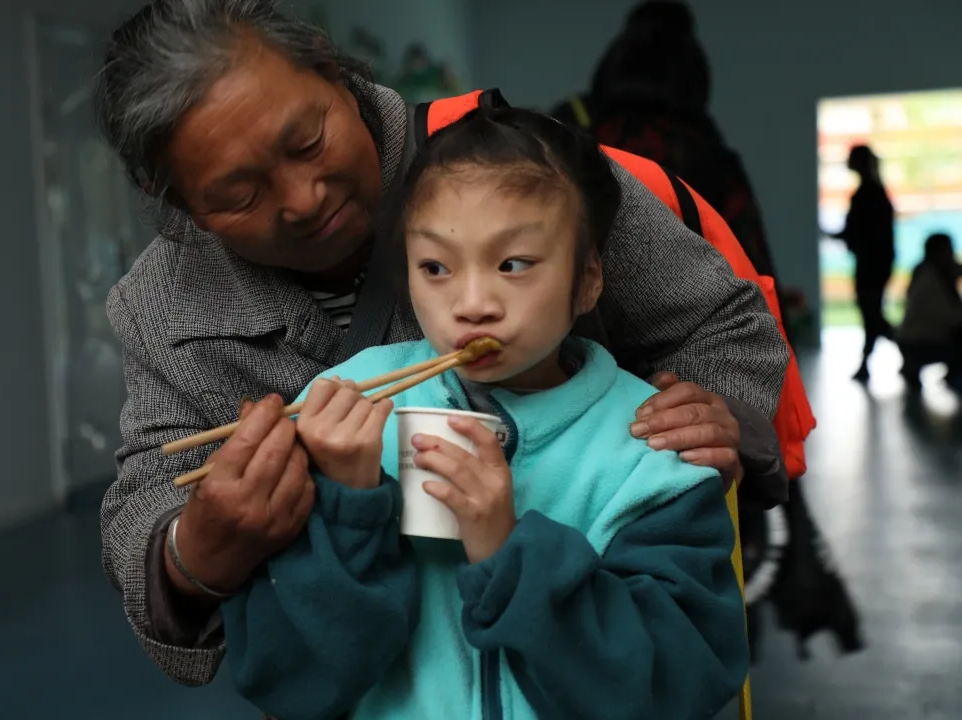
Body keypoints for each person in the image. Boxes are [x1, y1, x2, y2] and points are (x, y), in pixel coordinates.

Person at [95, 0, 789, 686]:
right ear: (180, 202)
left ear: (330, 69)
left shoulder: (517, 166)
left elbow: (722, 326)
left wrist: (711, 410)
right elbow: (150, 493)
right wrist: (194, 555)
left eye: (307, 143)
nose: (303, 199)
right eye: (239, 195)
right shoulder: (160, 305)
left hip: (583, 654)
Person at [224, 106, 749, 720]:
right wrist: (345, 503)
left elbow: (674, 689)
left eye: (513, 264)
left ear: (587, 281)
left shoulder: (653, 446)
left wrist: (509, 552)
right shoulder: (342, 409)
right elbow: (285, 683)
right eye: (436, 268)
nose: (472, 305)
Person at [549, 0, 780, 285]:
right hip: (686, 309)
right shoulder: (706, 150)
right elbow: (752, 260)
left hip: (584, 304)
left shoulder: (576, 133)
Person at [828, 144, 896, 381]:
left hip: (870, 265)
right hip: (876, 264)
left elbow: (859, 232)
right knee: (872, 313)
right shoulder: (874, 191)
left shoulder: (867, 194)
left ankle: (901, 346)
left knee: (872, 314)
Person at [896, 232, 962, 389]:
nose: (952, 253)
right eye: (949, 249)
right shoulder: (931, 280)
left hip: (913, 340)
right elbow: (951, 317)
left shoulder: (928, 271)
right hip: (921, 342)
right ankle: (954, 375)